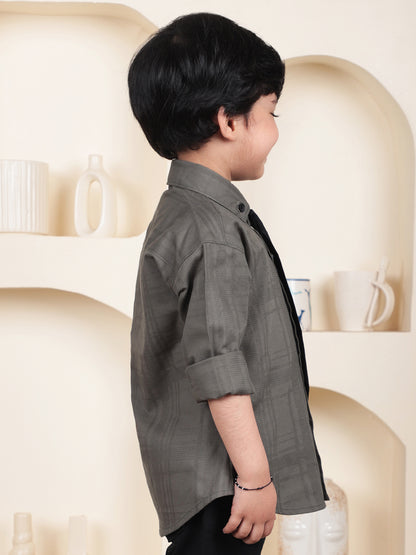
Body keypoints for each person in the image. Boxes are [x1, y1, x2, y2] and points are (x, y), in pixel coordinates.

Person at [128, 12, 329, 555]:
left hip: (209, 477)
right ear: (229, 121)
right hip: (223, 480)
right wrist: (256, 479)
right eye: (271, 111)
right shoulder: (212, 230)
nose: (276, 129)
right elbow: (218, 365)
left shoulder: (187, 212)